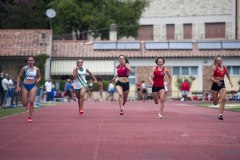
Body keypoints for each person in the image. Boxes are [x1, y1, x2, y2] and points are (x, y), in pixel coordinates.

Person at [16, 57, 41, 123]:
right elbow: (19, 77)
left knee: (32, 102)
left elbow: (39, 77)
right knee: (24, 103)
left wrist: (37, 80)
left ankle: (29, 117)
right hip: (25, 86)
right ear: (27, 62)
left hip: (33, 86)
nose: (30, 61)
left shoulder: (37, 69)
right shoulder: (24, 68)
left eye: (31, 60)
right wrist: (17, 86)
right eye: (29, 60)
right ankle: (26, 105)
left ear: (34, 61)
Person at [210, 55, 233, 120]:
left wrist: (230, 81)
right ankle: (217, 98)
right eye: (218, 61)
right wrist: (216, 81)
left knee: (223, 98)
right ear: (216, 62)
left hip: (222, 83)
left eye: (220, 60)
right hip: (215, 84)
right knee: (215, 103)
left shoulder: (224, 67)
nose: (219, 61)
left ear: (222, 61)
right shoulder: (214, 67)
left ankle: (220, 115)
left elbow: (228, 75)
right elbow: (210, 77)